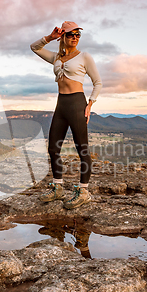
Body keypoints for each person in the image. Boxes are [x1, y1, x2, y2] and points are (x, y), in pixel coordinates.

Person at [30, 21, 102, 209]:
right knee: (53, 148)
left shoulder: (84, 56)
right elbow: (34, 47)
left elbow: (98, 83)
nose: (75, 37)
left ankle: (84, 191)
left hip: (77, 104)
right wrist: (49, 37)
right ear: (63, 36)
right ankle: (58, 187)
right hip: (61, 105)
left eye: (78, 34)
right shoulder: (56, 57)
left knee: (82, 150)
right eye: (70, 34)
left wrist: (90, 104)